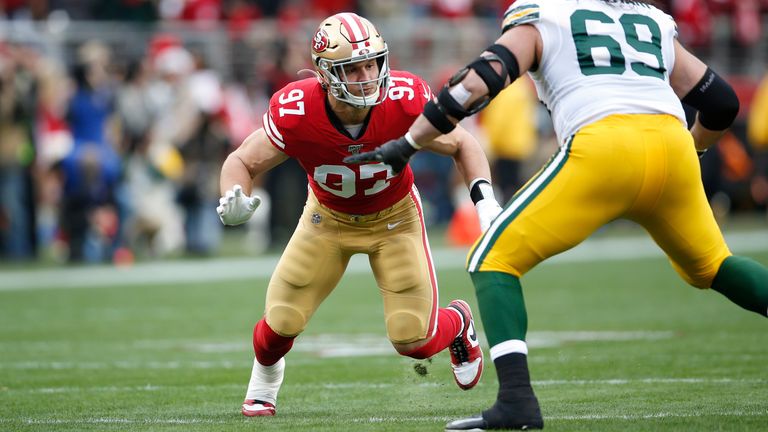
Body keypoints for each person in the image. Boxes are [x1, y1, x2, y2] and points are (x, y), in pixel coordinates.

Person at [345, 0, 768, 430]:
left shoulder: (544, 13)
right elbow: (722, 102)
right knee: (713, 267)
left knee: (493, 260)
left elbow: (480, 81)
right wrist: (692, 149)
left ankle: (516, 402)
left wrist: (409, 143)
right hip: (673, 147)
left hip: (603, 144)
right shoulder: (649, 20)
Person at [216, 12, 504, 418]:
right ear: (325, 73)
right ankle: (263, 384)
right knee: (279, 322)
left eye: (372, 63)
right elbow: (242, 160)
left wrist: (485, 202)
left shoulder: (404, 100)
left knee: (412, 340)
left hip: (395, 219)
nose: (367, 76)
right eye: (353, 68)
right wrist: (235, 196)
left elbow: (462, 144)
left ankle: (457, 323)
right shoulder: (298, 110)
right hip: (327, 219)